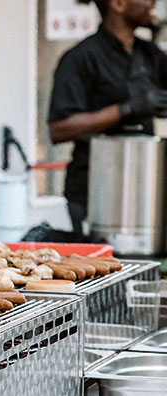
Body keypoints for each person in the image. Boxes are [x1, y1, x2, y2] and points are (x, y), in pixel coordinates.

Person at [48, 0, 167, 239]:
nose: (153, 1)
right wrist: (127, 108)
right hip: (94, 192)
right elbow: (59, 129)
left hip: (147, 192)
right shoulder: (80, 58)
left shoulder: (150, 55)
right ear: (119, 4)